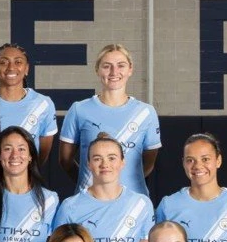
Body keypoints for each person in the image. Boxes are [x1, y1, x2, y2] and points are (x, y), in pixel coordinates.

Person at [54, 135, 152, 242]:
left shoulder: (141, 204)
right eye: (97, 158)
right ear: (88, 164)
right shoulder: (70, 206)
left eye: (111, 158)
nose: (105, 164)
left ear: (122, 162)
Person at [60, 44, 161, 198]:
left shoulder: (146, 112)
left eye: (121, 65)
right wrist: (89, 182)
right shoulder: (79, 109)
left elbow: (148, 164)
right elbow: (65, 161)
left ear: (130, 69)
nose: (114, 72)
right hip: (90, 200)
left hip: (133, 202)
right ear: (97, 70)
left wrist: (125, 183)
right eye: (107, 66)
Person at [0, 44, 57, 187]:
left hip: (27, 188)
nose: (11, 67)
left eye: (18, 62)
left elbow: (41, 154)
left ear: (27, 69)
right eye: (3, 62)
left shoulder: (44, 104)